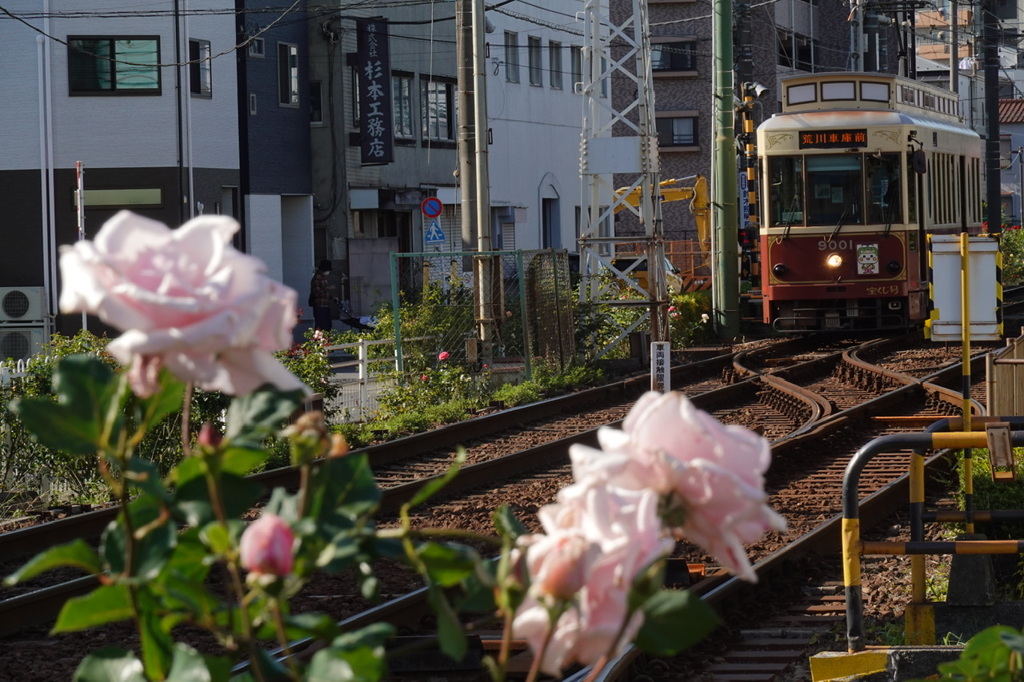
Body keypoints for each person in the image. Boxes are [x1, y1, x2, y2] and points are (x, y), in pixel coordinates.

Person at [310, 259, 336, 331]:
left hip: (325, 305)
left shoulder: (323, 277)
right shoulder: (317, 278)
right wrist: (328, 288)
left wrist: (332, 297)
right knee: (321, 326)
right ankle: (320, 341)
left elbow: (324, 293)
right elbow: (317, 292)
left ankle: (326, 341)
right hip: (319, 305)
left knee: (327, 326)